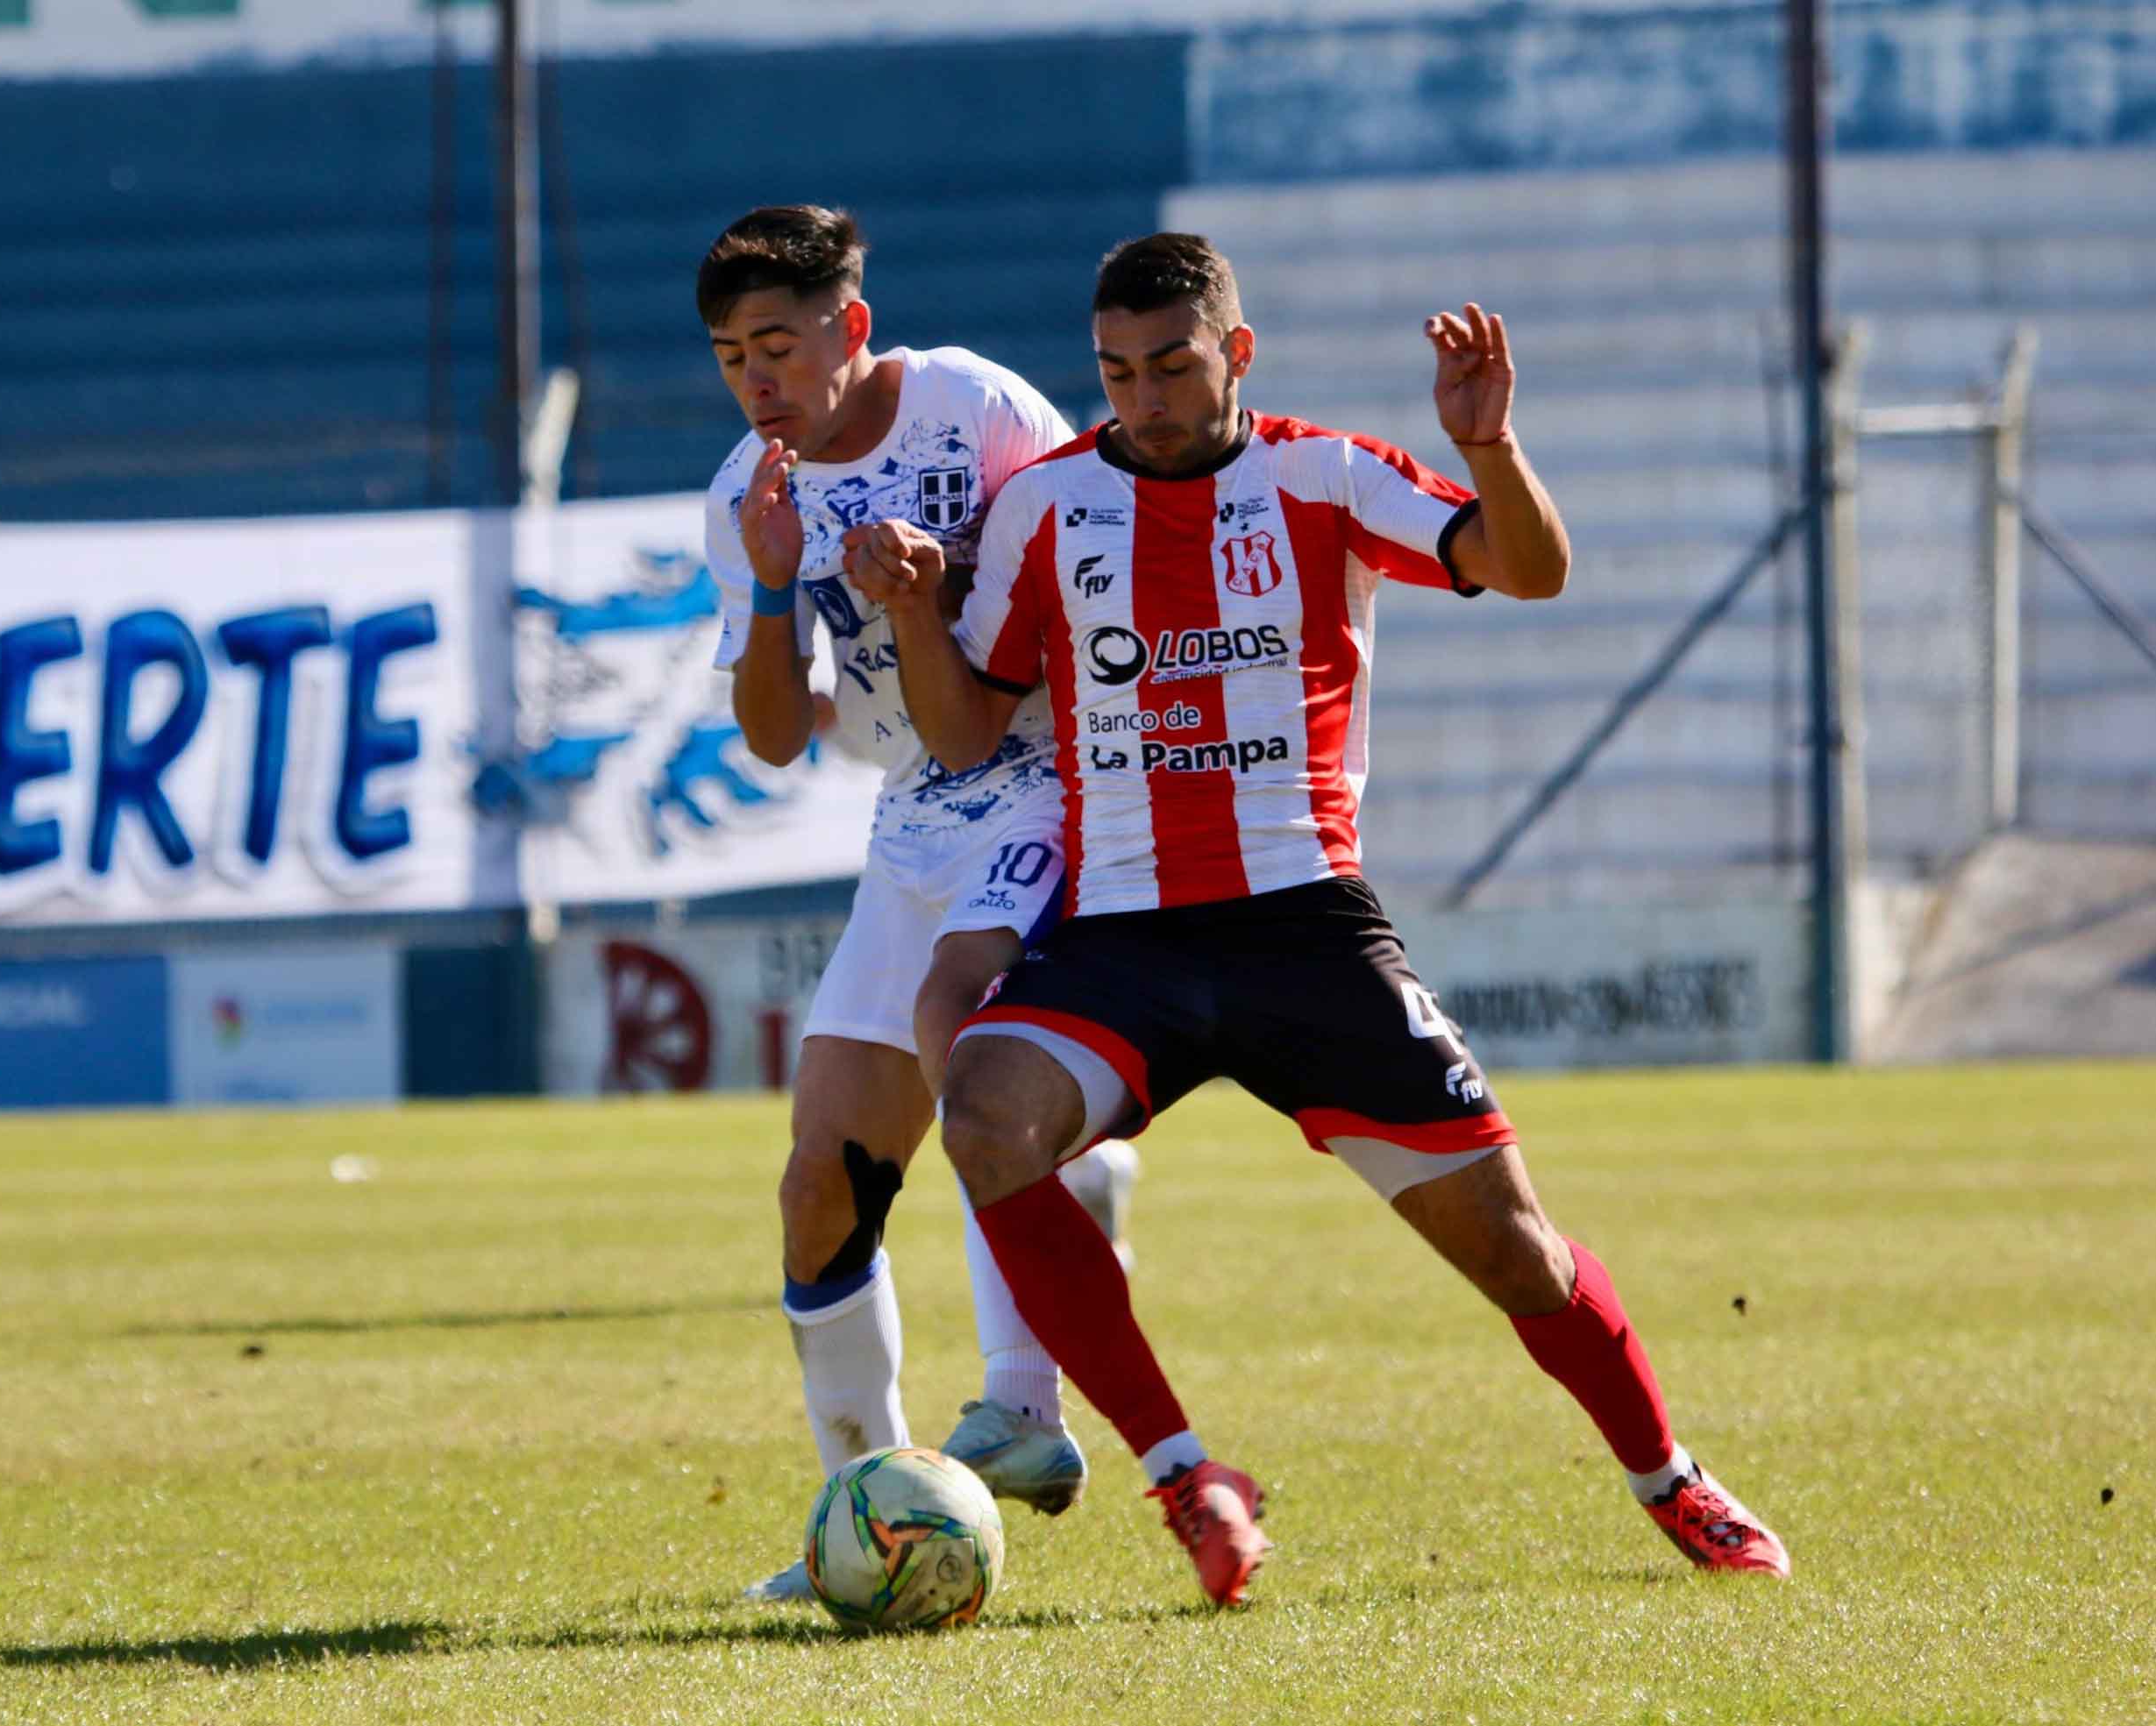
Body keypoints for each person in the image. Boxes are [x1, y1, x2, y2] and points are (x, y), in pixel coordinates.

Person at [845, 233, 1790, 1606]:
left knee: (1517, 1251)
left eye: (1173, 366)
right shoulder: (1051, 506)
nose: (1145, 399)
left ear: (1237, 352)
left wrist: (1489, 449)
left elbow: (1528, 569)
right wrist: (914, 611)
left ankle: (1670, 1478)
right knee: (985, 1116)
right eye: (1118, 372)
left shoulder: (1324, 476)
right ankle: (1187, 1476)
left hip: (1308, 931)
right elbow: (963, 729)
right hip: (1127, 939)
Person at [694, 207, 1142, 1601]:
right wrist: (778, 584)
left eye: (778, 344)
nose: (757, 378)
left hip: (1051, 779)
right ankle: (870, 1510)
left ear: (852, 325)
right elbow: (776, 736)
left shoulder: (972, 407)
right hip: (913, 822)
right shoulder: (744, 496)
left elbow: (1095, 562)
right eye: (730, 356)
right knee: (819, 1184)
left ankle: (1022, 1400)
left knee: (975, 1062)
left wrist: (936, 601)